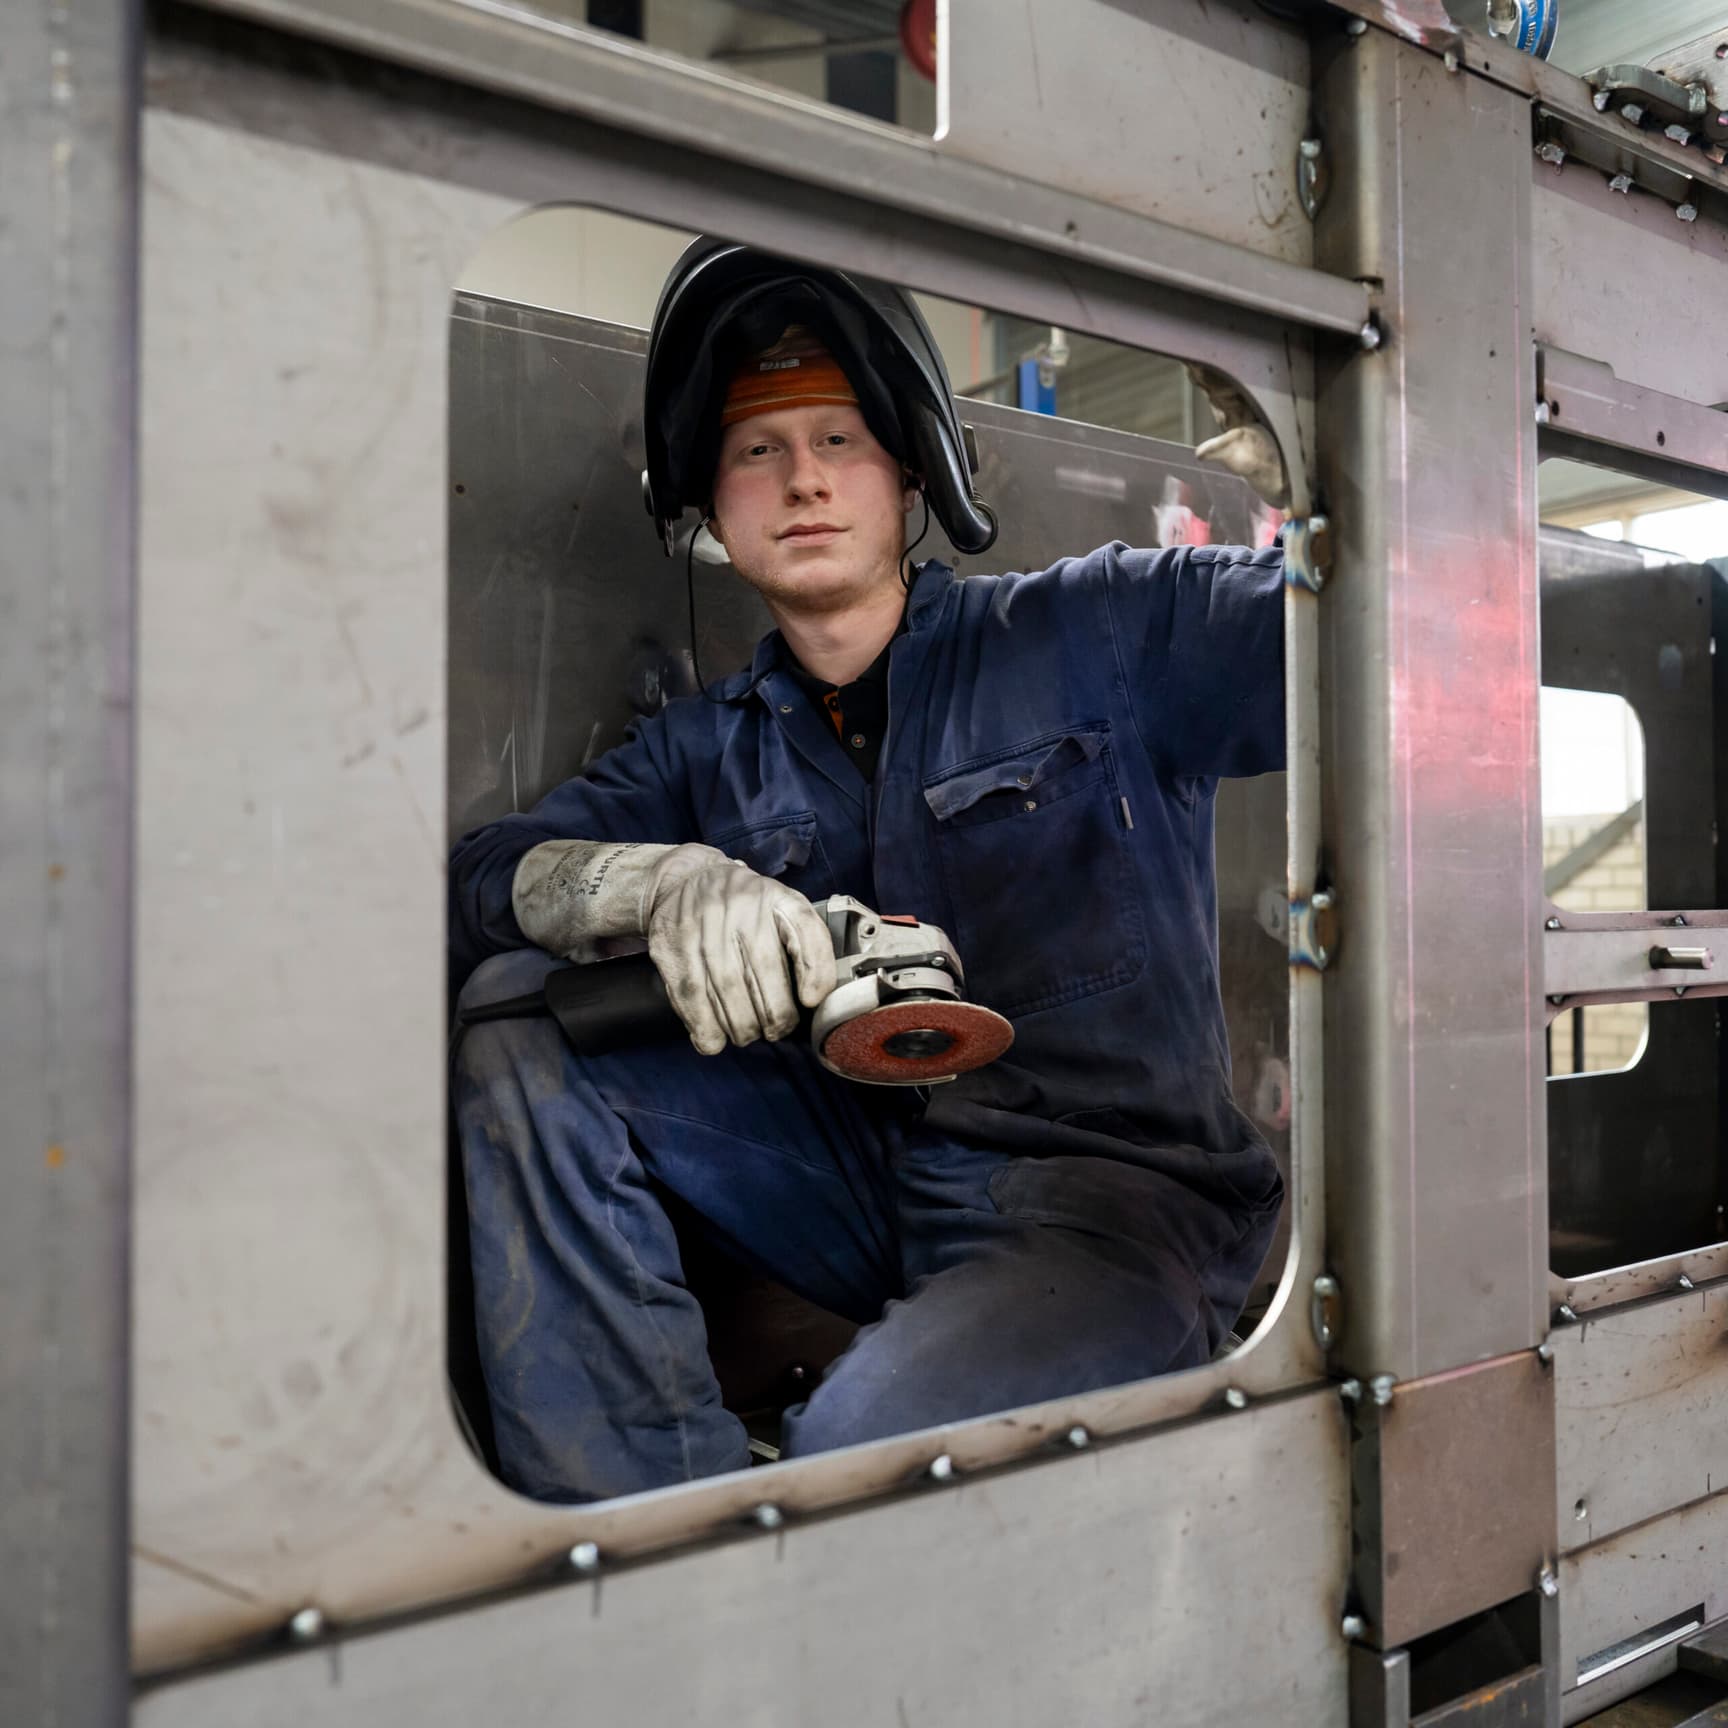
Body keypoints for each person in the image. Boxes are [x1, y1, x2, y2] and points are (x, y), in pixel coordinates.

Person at [448, 238, 1290, 1505]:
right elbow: (477, 880)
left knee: (850, 1484)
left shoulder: (1107, 631)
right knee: (518, 1016)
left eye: (838, 439)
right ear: (711, 502)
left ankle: (801, 1537)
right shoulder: (705, 752)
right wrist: (659, 887)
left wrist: (1334, 442)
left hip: (1108, 1211)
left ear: (912, 469)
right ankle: (649, 1529)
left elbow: (1366, 625)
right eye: (756, 448)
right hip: (869, 1185)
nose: (801, 478)